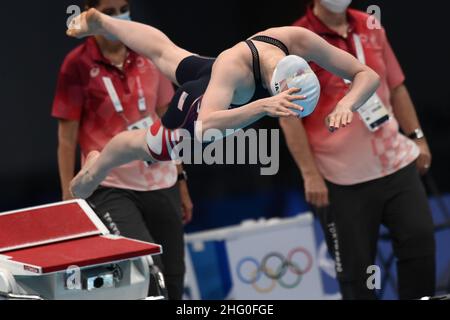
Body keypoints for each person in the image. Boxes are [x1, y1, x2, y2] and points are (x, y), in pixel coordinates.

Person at [66, 7, 380, 200]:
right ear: (276, 88)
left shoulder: (298, 39)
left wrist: (346, 104)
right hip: (210, 102)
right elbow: (206, 124)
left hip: (221, 80)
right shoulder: (236, 67)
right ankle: (99, 166)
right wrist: (263, 107)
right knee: (159, 147)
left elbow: (366, 74)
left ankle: (104, 23)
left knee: (168, 54)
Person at [280, 0, 435, 299]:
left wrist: (417, 136)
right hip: (341, 179)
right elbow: (288, 117)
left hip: (395, 162)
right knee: (356, 274)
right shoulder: (296, 39)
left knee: (420, 243)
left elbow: (397, 85)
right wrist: (310, 174)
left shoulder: (370, 24)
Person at [53, 0, 193, 300]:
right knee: (145, 267)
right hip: (111, 185)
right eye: (110, 11)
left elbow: (170, 121)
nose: (119, 16)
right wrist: (69, 196)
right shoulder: (76, 66)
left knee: (173, 272)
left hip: (161, 179)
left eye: (124, 8)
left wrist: (181, 180)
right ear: (91, 13)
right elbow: (67, 139)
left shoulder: (148, 52)